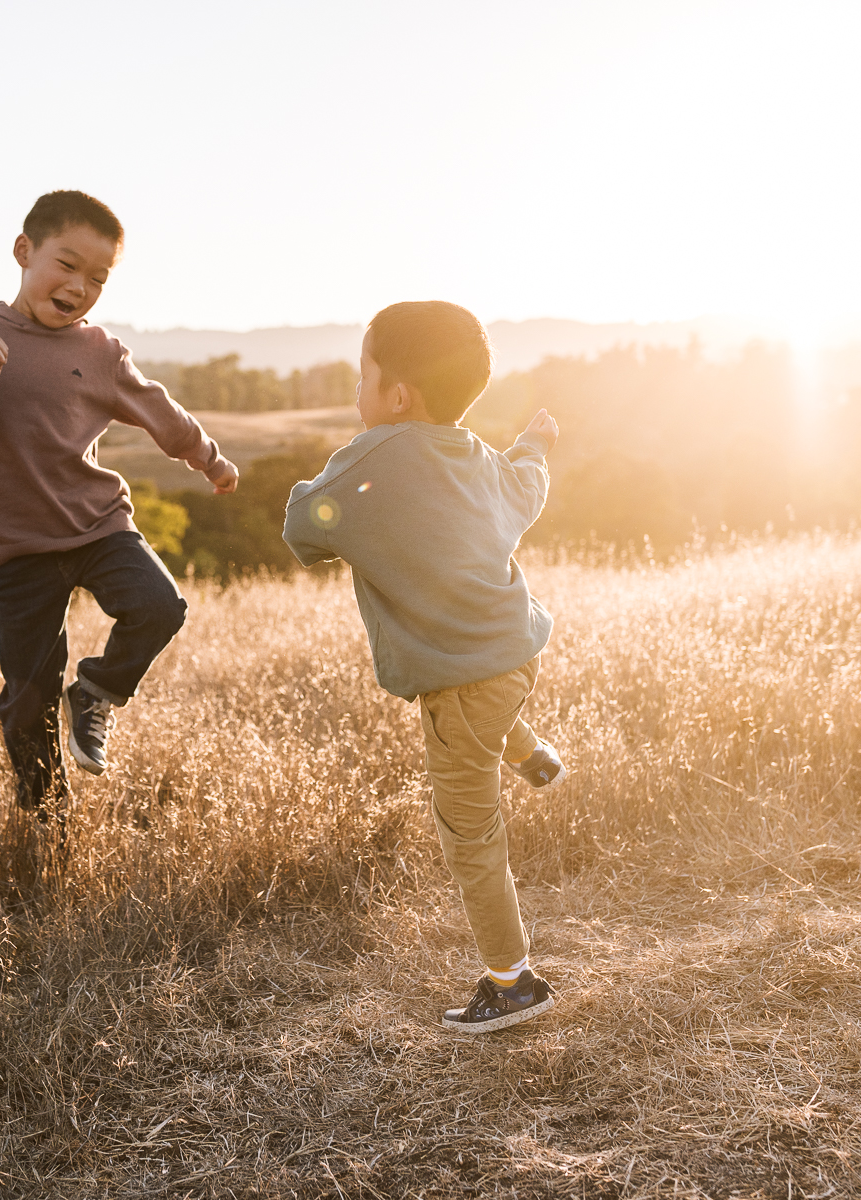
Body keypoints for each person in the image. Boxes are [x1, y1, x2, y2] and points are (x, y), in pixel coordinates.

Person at [0, 190, 239, 817]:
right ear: (24, 251)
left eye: (98, 277)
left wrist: (210, 459)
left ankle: (95, 691)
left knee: (159, 606)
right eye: (67, 264)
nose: (79, 285)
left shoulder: (100, 352)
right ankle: (47, 819)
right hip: (22, 549)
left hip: (98, 524)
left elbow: (160, 411)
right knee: (25, 701)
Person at [282, 300, 563, 1034]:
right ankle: (532, 755)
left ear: (396, 393)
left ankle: (512, 983)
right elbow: (525, 489)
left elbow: (302, 529)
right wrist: (533, 442)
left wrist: (317, 487)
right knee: (487, 702)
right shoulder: (476, 455)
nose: (355, 391)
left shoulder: (371, 455)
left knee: (470, 837)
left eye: (361, 374)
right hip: (515, 652)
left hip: (461, 682)